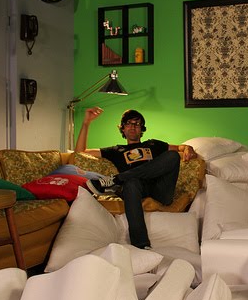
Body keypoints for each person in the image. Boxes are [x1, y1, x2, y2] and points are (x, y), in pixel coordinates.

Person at [75, 107, 197, 249]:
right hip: (133, 190)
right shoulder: (116, 150)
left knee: (173, 156)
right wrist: (86, 123)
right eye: (128, 123)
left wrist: (188, 148)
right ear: (123, 128)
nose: (133, 127)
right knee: (131, 182)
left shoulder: (153, 144)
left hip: (159, 189)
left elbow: (180, 148)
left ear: (142, 129)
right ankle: (141, 245)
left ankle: (116, 179)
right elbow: (80, 152)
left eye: (137, 124)